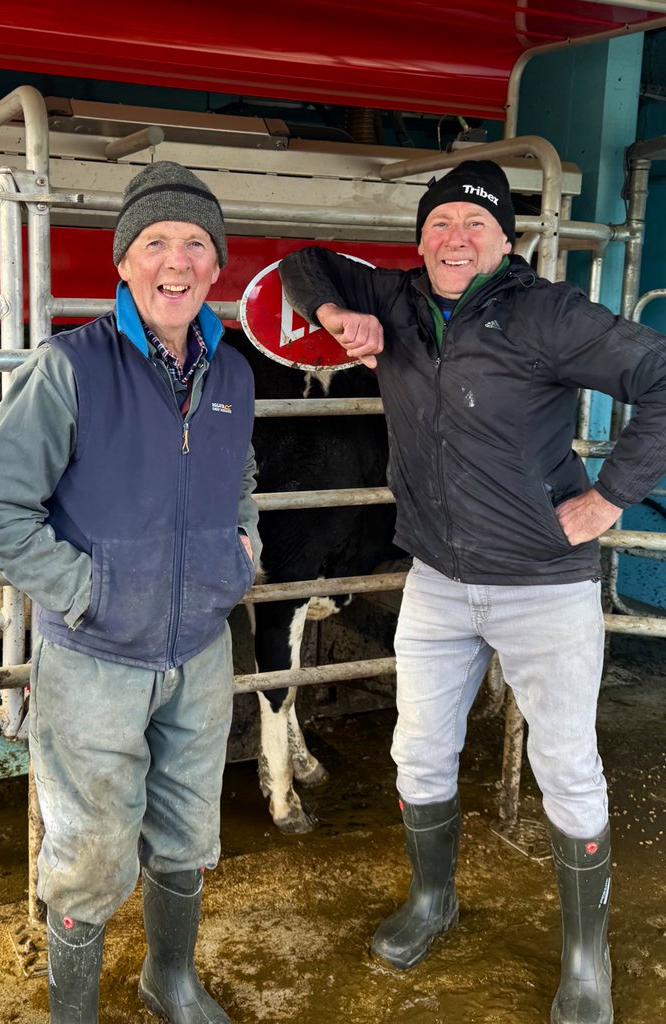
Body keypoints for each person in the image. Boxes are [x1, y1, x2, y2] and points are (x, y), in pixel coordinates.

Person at [279, 159, 666, 1024]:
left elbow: (664, 377)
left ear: (506, 239)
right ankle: (433, 900)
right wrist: (340, 313)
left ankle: (584, 958)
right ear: (420, 239)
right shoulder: (397, 297)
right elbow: (306, 263)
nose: (456, 239)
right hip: (439, 581)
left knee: (565, 765)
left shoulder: (549, 314)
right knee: (417, 751)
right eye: (441, 224)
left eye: (475, 226)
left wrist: (608, 498)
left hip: (542, 584)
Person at [0, 161, 260, 1023]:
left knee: (187, 835)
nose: (178, 261)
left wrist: (239, 555)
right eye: (157, 243)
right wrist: (86, 590)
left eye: (197, 244)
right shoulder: (69, 368)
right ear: (123, 263)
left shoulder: (232, 376)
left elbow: (239, 480)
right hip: (93, 659)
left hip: (200, 651)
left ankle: (169, 979)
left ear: (217, 266)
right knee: (90, 856)